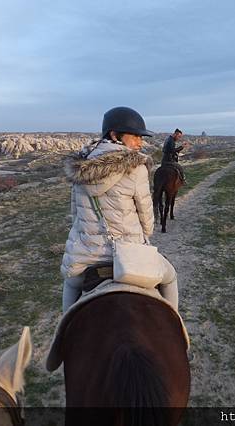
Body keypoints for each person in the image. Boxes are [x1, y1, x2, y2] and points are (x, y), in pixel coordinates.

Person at [60, 106, 179, 312]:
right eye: (135, 137)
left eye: (141, 138)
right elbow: (146, 215)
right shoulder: (136, 167)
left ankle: (63, 333)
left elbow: (76, 214)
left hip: (86, 254)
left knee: (71, 283)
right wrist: (146, 234)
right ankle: (177, 328)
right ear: (114, 135)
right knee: (170, 278)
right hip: (128, 250)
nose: (139, 142)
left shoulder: (79, 167)